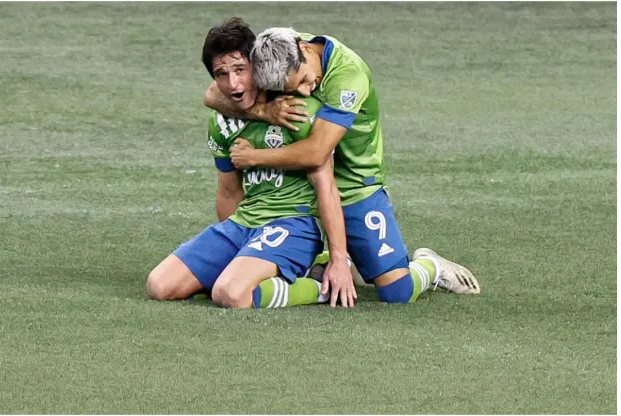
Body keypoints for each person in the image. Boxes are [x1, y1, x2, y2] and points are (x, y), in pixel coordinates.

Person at [204, 26, 481, 304]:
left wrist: (254, 158)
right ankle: (334, 258)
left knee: (397, 292)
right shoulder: (277, 51)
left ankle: (430, 267)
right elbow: (212, 95)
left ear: (305, 50)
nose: (304, 92)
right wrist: (263, 111)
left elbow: (316, 153)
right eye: (291, 90)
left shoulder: (348, 77)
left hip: (355, 185)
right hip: (302, 185)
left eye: (303, 81)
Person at [146, 18, 350, 309]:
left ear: (257, 65)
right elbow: (229, 192)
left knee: (230, 293)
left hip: (293, 225)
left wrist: (339, 258)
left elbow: (327, 189)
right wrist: (234, 252)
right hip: (244, 224)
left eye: (240, 69)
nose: (233, 84)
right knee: (160, 285)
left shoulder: (297, 109)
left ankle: (319, 287)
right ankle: (248, 272)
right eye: (221, 74)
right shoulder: (222, 122)